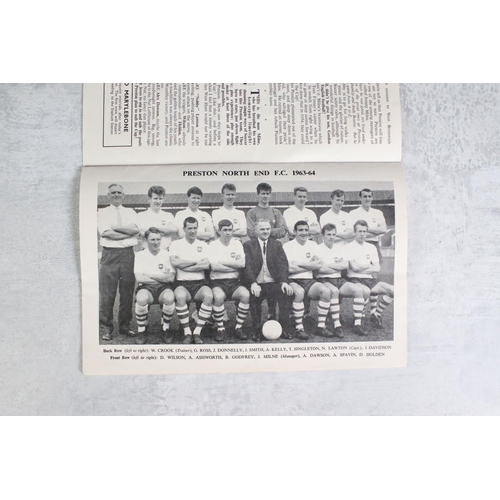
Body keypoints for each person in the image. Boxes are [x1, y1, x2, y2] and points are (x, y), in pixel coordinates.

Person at [97, 183, 139, 341]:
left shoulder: (131, 212)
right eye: (113, 192)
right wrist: (126, 233)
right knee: (108, 295)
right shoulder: (102, 212)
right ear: (108, 195)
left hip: (128, 255)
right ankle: (106, 328)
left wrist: (116, 228)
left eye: (119, 192)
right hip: (110, 255)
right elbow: (107, 234)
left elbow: (135, 230)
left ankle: (125, 326)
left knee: (127, 293)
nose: (116, 195)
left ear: (123, 195)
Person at [243, 220, 294, 341]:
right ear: (256, 231)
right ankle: (257, 330)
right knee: (254, 296)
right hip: (257, 283)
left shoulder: (276, 244)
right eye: (262, 229)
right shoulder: (248, 245)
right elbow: (247, 266)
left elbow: (283, 265)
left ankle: (284, 328)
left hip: (273, 282)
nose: (265, 231)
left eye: (267, 229)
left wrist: (284, 282)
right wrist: (253, 283)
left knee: (286, 293)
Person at [283, 221, 336, 340]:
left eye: (306, 230)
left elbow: (317, 265)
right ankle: (299, 328)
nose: (304, 233)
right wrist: (309, 264)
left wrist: (299, 263)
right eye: (300, 230)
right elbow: (288, 268)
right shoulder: (287, 246)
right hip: (293, 280)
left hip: (309, 279)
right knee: (299, 293)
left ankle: (321, 327)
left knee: (326, 292)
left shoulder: (313, 245)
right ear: (295, 232)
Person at [315, 223, 369, 337]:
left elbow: (344, 265)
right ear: (323, 235)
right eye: (328, 234)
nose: (331, 237)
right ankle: (337, 325)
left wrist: (328, 265)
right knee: (334, 291)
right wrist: (335, 266)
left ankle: (357, 325)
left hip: (339, 279)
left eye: (333, 234)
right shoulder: (317, 248)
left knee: (358, 291)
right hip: (324, 280)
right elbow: (319, 269)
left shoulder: (339, 248)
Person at [345, 220, 394, 334]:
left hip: (370, 279)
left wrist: (362, 266)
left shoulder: (371, 247)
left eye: (364, 231)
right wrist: (368, 265)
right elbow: (354, 268)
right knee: (364, 292)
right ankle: (357, 322)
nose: (362, 234)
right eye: (359, 231)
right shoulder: (348, 247)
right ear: (354, 232)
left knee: (393, 290)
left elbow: (377, 268)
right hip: (354, 279)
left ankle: (376, 314)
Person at [169, 217, 213, 344]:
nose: (192, 231)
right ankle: (187, 332)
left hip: (200, 282)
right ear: (184, 229)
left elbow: (205, 265)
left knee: (208, 295)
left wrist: (185, 265)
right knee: (180, 296)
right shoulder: (176, 244)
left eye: (195, 228)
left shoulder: (203, 245)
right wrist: (195, 262)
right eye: (189, 228)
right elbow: (175, 263)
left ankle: (197, 332)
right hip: (182, 283)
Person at [208, 220, 250, 342]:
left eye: (230, 230)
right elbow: (214, 267)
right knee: (219, 297)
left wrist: (221, 262)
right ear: (219, 231)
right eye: (225, 230)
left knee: (245, 295)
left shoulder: (237, 244)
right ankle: (220, 328)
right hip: (217, 281)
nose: (228, 233)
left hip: (234, 281)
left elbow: (242, 264)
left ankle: (238, 327)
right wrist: (233, 266)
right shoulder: (213, 245)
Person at [133, 228, 176, 345]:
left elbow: (171, 278)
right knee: (141, 299)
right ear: (146, 240)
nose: (155, 242)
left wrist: (149, 274)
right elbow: (140, 278)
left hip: (163, 288)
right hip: (146, 287)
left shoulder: (167, 255)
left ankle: (165, 328)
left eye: (158, 239)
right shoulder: (140, 255)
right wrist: (161, 277)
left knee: (169, 297)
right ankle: (141, 330)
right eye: (152, 239)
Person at [349, 188, 387, 257]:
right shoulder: (353, 213)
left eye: (369, 196)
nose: (367, 199)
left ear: (372, 198)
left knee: (376, 266)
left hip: (374, 243)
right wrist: (375, 232)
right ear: (360, 198)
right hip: (359, 244)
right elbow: (352, 232)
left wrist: (366, 229)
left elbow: (384, 230)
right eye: (365, 196)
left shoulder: (378, 213)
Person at [137, 185, 178, 250]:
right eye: (155, 198)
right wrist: (164, 230)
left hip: (165, 251)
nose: (158, 201)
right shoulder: (141, 215)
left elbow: (173, 230)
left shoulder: (168, 215)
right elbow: (142, 233)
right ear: (149, 199)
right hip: (147, 252)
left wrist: (151, 229)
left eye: (160, 199)